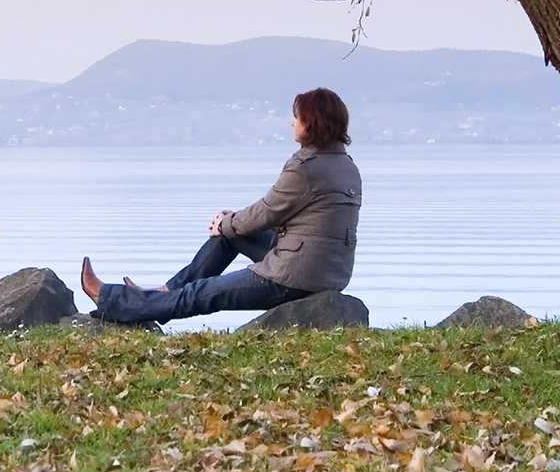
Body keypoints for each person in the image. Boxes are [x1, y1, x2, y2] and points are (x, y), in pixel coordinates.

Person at [81, 88, 361, 325]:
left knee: (201, 294)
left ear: (312, 123)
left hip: (293, 277)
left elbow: (267, 212)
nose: (292, 123)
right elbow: (287, 213)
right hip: (326, 272)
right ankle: (164, 292)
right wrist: (233, 223)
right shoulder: (346, 166)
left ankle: (109, 298)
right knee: (229, 235)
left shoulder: (305, 168)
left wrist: (227, 223)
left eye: (297, 117)